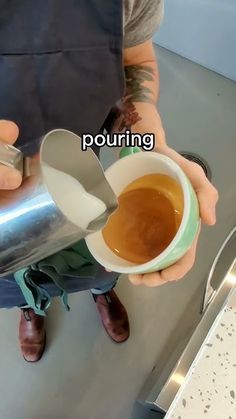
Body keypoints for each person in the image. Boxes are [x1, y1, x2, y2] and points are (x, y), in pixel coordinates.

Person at [0, 0, 218, 362]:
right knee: (18, 283)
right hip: (7, 227)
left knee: (100, 267)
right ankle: (31, 310)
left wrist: (149, 143)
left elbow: (135, 63)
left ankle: (102, 291)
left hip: (83, 170)